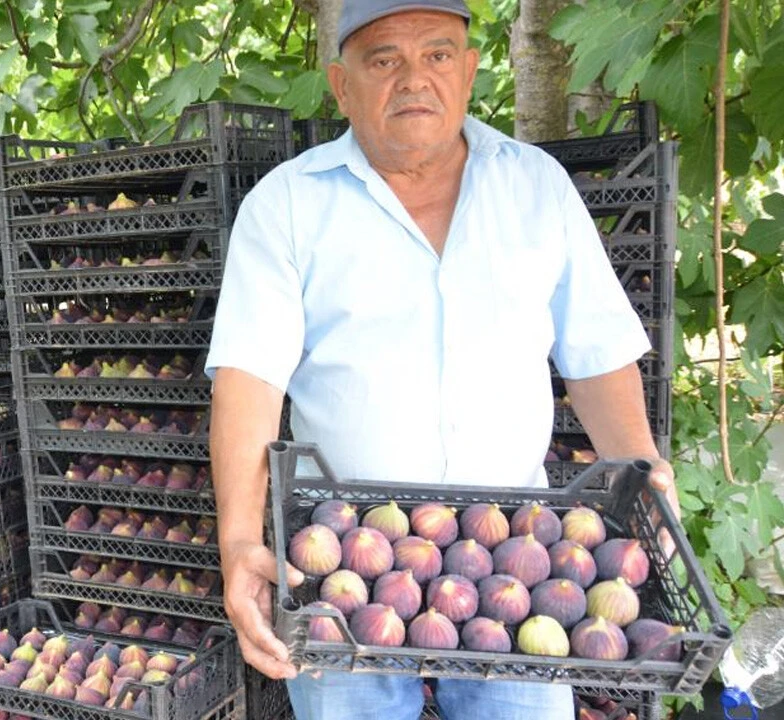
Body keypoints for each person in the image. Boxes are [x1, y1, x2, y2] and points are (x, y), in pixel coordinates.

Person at [204, 0, 681, 718]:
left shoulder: (536, 186)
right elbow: (249, 379)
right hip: (340, 555)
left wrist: (643, 466)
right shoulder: (288, 205)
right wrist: (240, 541)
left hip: (517, 548)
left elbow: (597, 351)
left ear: (468, 69)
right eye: (385, 59)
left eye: (436, 54)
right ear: (341, 84)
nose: (414, 78)